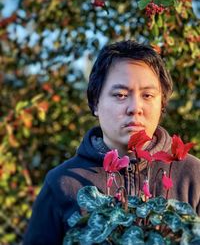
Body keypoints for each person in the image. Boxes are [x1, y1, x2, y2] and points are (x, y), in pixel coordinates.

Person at [23, 40, 200, 245]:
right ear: (96, 102)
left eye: (148, 95)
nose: (135, 108)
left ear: (162, 104)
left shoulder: (194, 176)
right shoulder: (62, 183)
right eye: (121, 95)